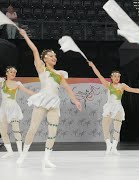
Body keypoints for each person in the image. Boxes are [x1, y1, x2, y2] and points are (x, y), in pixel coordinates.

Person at [16, 29, 82, 168]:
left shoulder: (59, 74)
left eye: (55, 56)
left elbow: (67, 88)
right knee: (33, 129)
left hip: (54, 103)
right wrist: (26, 36)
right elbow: (34, 50)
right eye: (50, 56)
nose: (54, 57)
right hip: (42, 100)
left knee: (52, 132)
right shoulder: (41, 68)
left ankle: (46, 159)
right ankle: (23, 155)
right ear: (44, 58)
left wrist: (75, 100)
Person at [87, 61, 139, 155]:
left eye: (118, 76)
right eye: (115, 76)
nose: (117, 78)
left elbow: (134, 90)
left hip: (118, 108)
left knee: (117, 128)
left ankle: (114, 147)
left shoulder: (122, 86)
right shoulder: (108, 85)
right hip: (109, 107)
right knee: (105, 126)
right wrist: (93, 66)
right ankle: (108, 145)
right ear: (111, 77)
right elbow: (99, 75)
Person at [0, 66, 34, 158]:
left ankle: (20, 152)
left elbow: (27, 91)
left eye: (15, 72)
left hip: (13, 109)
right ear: (6, 73)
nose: (13, 74)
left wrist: (38, 95)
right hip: (3, 109)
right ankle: (10, 151)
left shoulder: (17, 84)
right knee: (3, 131)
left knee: (16, 130)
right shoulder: (1, 82)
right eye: (11, 72)